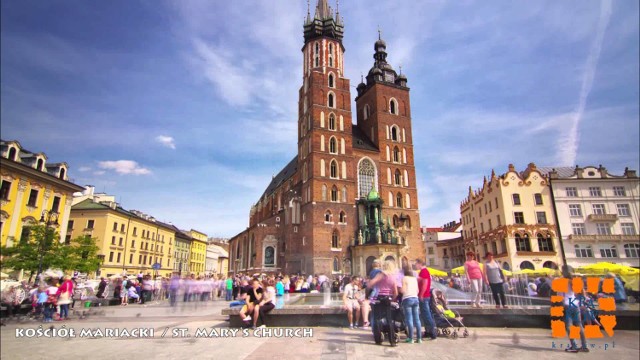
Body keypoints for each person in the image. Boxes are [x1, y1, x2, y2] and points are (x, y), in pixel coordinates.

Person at [558, 266, 589, 353]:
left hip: (567, 305)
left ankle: (574, 346)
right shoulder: (575, 280)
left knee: (569, 326)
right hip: (575, 304)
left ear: (563, 272)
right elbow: (582, 293)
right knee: (579, 325)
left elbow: (559, 294)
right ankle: (584, 346)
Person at [415, 258, 437, 340]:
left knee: (426, 314)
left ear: (420, 263)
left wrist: (421, 294)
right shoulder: (424, 272)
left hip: (424, 296)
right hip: (425, 295)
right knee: (425, 314)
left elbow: (424, 283)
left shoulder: (424, 272)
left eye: (416, 264)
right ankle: (428, 331)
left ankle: (432, 332)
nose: (415, 265)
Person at [401, 265, 422, 343]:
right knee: (417, 319)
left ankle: (411, 338)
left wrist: (400, 290)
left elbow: (403, 290)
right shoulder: (414, 279)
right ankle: (419, 338)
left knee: (409, 319)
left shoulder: (404, 278)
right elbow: (417, 290)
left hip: (407, 298)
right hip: (415, 298)